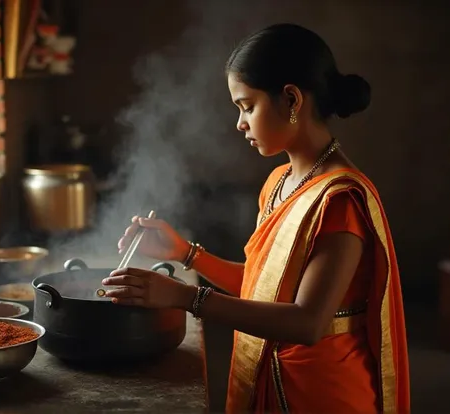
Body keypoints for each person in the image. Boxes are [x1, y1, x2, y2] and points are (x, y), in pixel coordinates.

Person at [102, 23, 410, 414]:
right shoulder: (279, 181)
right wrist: (184, 253)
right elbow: (262, 286)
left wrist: (185, 296)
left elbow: (306, 323)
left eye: (247, 106)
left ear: (292, 100)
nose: (240, 123)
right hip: (272, 374)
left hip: (321, 393)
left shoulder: (340, 199)